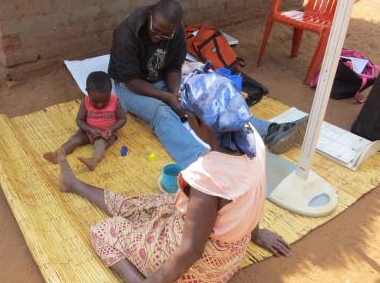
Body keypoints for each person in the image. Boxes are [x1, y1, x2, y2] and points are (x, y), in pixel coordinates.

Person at [48, 72, 291, 282]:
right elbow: (249, 189)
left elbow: (191, 251)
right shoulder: (252, 140)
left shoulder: (208, 178)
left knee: (103, 231)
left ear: (198, 122)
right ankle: (74, 184)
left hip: (200, 268)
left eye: (188, 117)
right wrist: (256, 234)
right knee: (147, 205)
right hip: (231, 254)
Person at [108, 0, 308, 167]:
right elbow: (131, 81)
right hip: (130, 86)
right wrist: (167, 97)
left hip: (161, 79)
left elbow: (173, 67)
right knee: (161, 112)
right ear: (150, 16)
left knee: (205, 98)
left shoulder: (176, 32)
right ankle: (199, 161)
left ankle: (270, 132)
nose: (158, 37)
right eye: (155, 30)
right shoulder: (126, 34)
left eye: (165, 34)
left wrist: (176, 92)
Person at [44, 71, 127, 170]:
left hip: (106, 134)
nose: (100, 105)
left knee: (100, 145)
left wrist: (112, 129)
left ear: (110, 91)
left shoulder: (115, 102)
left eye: (105, 101)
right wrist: (90, 129)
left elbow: (123, 119)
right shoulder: (85, 102)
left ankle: (93, 161)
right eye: (95, 102)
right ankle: (56, 155)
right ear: (87, 91)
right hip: (87, 131)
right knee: (74, 140)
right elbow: (79, 120)